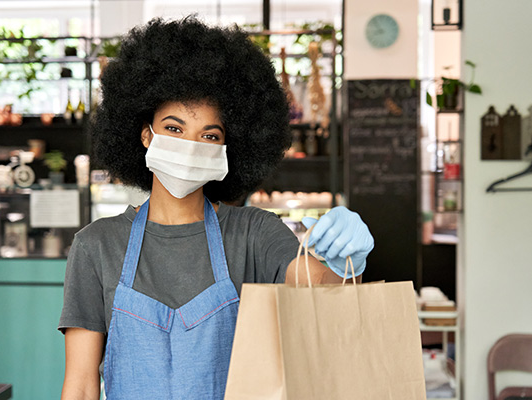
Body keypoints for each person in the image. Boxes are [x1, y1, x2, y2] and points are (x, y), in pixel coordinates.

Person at [59, 17, 374, 400]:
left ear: (228, 149)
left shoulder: (254, 234)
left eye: (209, 135)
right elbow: (80, 385)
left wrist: (345, 264)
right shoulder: (97, 245)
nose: (191, 146)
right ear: (145, 135)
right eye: (174, 129)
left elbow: (321, 288)